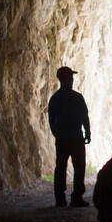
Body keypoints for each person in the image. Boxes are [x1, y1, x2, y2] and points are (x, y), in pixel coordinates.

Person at [48, 66, 91, 207]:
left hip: (62, 139)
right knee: (79, 167)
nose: (72, 79)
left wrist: (57, 133)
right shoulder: (77, 97)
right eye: (70, 77)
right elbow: (84, 117)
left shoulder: (55, 98)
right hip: (76, 138)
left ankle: (60, 199)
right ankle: (76, 197)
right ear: (68, 79)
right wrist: (87, 132)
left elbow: (51, 119)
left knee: (60, 167)